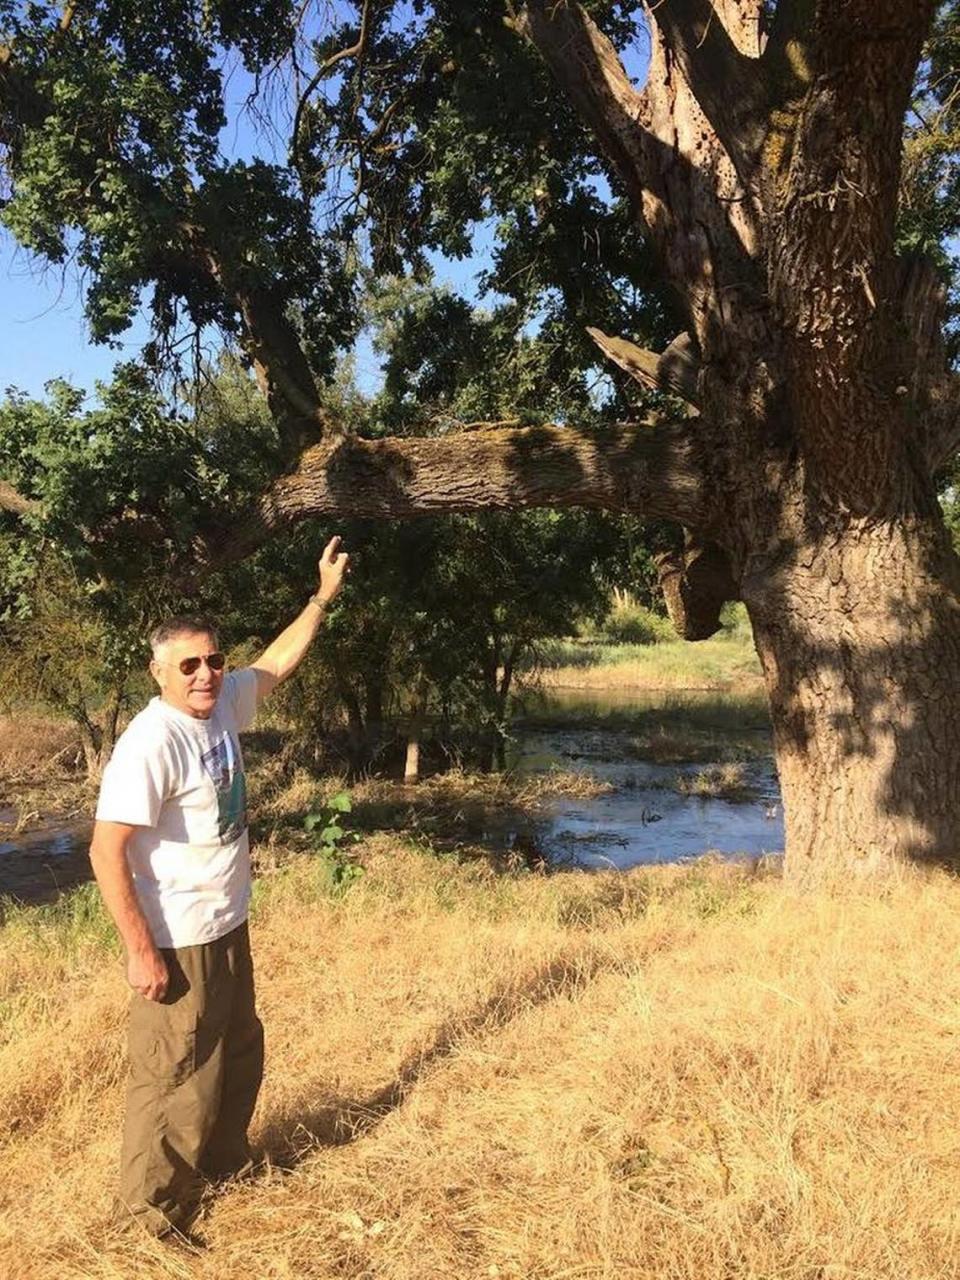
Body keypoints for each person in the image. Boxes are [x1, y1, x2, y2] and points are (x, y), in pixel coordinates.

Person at [89, 536, 349, 1239]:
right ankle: (150, 1216)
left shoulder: (223, 705)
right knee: (175, 1075)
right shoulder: (153, 741)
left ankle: (225, 1165)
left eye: (212, 660)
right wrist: (141, 951)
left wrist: (321, 597)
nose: (205, 674)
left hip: (226, 922)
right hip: (178, 937)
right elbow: (105, 848)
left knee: (237, 1050)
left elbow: (275, 665)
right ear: (160, 672)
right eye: (188, 665)